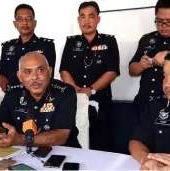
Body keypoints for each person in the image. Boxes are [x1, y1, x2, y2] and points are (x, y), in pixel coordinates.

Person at [0, 52, 80, 148]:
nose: (34, 77)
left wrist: (18, 140)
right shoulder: (13, 93)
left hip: (64, 152)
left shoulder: (65, 91)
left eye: (40, 70)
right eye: (28, 72)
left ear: (50, 72)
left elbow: (61, 136)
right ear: (20, 77)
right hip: (23, 153)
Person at [59, 1, 120, 152]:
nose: (86, 21)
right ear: (78, 20)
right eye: (82, 17)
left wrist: (91, 90)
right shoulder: (71, 42)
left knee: (101, 145)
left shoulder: (109, 41)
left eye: (91, 16)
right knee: (75, 145)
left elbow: (112, 71)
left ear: (98, 19)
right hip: (75, 103)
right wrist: (75, 90)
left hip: (101, 103)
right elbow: (64, 70)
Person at [0, 3, 56, 92]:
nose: (24, 23)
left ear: (35, 23)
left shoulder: (46, 46)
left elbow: (47, 74)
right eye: (20, 19)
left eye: (28, 19)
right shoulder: (7, 47)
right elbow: (1, 74)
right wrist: (8, 90)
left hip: (37, 95)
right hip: (12, 95)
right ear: (15, 24)